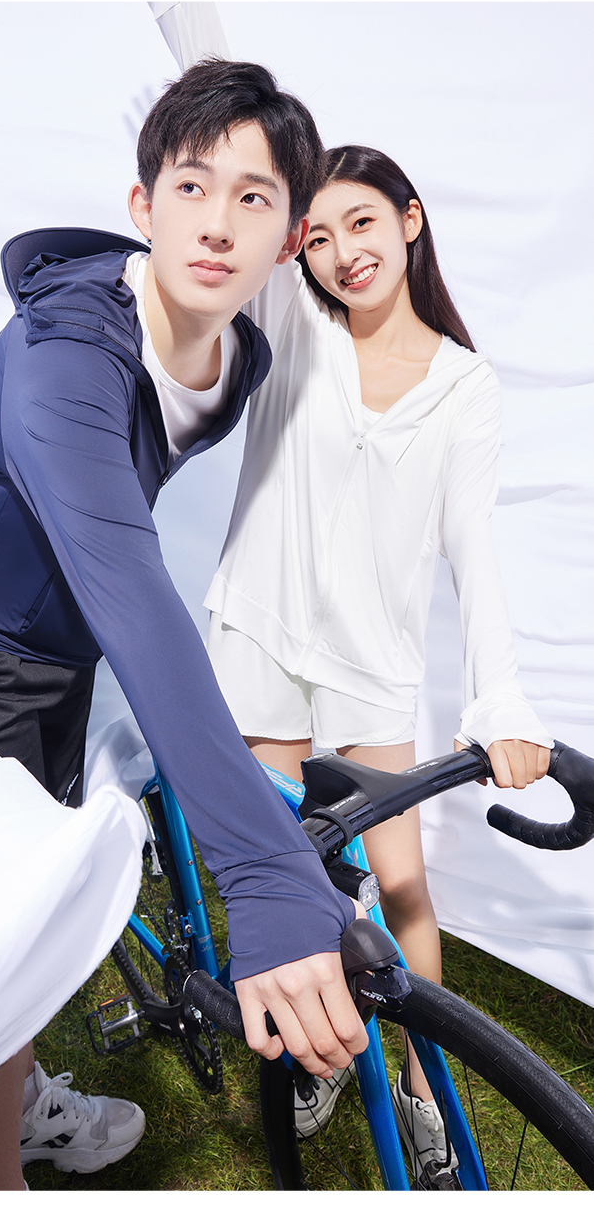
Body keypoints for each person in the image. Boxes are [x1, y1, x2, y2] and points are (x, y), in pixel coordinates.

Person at [0, 60, 369, 1191]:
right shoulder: (62, 366)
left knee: (52, 846)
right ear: (142, 205)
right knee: (2, 918)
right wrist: (265, 874)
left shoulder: (238, 350)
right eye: (191, 187)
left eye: (253, 198)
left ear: (290, 240)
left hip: (63, 608)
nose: (218, 223)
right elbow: (133, 594)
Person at [205, 145, 554, 1167]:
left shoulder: (464, 385)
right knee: (292, 877)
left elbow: (472, 548)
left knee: (400, 889)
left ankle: (421, 1083)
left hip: (370, 665)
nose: (341, 253)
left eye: (361, 222)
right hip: (261, 638)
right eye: (316, 237)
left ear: (409, 219)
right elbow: (240, 181)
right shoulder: (293, 324)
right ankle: (312, 1060)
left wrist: (500, 698)